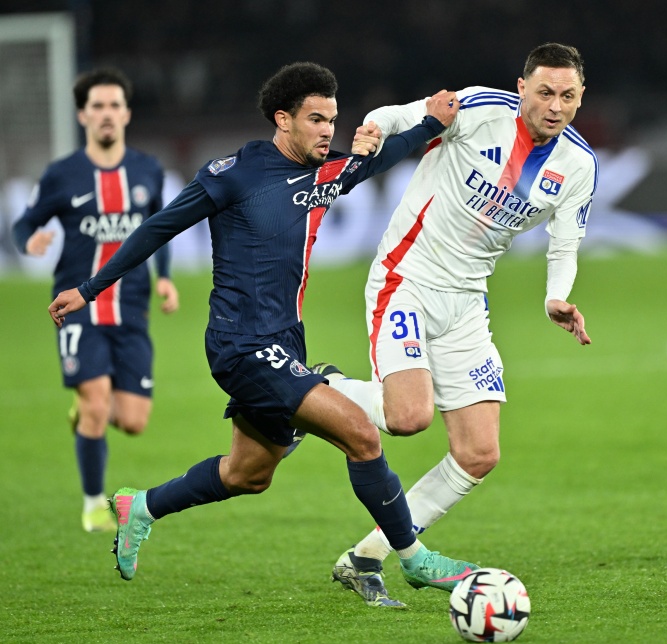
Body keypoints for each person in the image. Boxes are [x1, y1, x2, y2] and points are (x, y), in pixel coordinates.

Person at [47, 61, 477, 608]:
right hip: (241, 345)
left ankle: (143, 507)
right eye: (316, 119)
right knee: (361, 434)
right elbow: (158, 227)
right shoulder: (233, 174)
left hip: (285, 341)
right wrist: (90, 289)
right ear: (283, 119)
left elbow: (380, 160)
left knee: (248, 474)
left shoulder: (325, 174)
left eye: (332, 120)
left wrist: (430, 125)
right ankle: (414, 559)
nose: (327, 130)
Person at [307, 43, 597, 603]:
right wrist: (371, 130)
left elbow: (566, 243)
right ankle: (316, 390)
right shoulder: (481, 108)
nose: (555, 106)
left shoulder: (578, 165)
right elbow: (401, 116)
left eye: (567, 96)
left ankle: (366, 556)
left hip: (467, 302)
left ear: (581, 97)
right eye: (544, 92)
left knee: (478, 453)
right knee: (408, 417)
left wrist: (555, 298)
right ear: (522, 88)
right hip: (406, 279)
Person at [13, 67, 179, 533]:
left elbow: (160, 229)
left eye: (114, 105)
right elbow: (24, 223)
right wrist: (28, 241)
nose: (106, 113)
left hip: (131, 308)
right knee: (96, 403)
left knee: (133, 421)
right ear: (83, 115)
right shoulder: (62, 174)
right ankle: (92, 505)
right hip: (77, 308)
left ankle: (86, 409)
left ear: (126, 113)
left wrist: (165, 279)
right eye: (97, 106)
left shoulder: (147, 170)